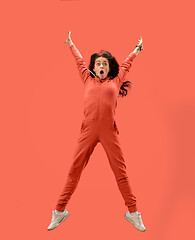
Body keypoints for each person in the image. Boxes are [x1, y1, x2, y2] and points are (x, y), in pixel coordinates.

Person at [47, 30, 146, 232]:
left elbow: (126, 64)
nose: (101, 66)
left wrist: (137, 49)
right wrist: (70, 44)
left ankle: (133, 213)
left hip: (109, 131)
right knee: (74, 170)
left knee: (121, 172)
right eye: (98, 63)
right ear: (94, 67)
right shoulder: (87, 79)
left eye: (105, 64)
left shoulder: (115, 81)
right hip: (88, 130)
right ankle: (59, 211)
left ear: (109, 68)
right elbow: (79, 62)